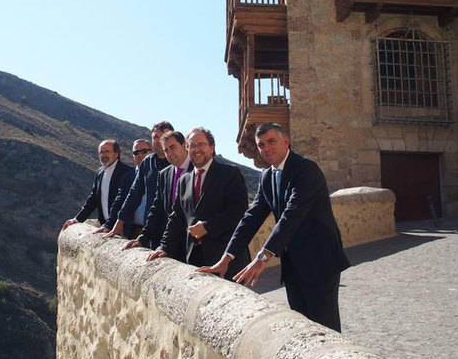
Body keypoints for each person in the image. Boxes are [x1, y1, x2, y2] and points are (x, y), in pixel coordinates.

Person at [197, 123, 350, 332]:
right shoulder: (267, 176)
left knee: (326, 328)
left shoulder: (305, 170)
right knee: (304, 328)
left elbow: (291, 216)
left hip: (320, 261)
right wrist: (227, 257)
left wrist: (262, 258)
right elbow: (251, 218)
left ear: (285, 141)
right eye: (261, 145)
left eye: (271, 142)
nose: (266, 148)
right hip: (293, 265)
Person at [147, 127, 249, 276]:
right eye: (192, 146)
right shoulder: (184, 181)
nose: (196, 149)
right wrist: (164, 247)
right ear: (187, 149)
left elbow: (238, 212)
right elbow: (176, 217)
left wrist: (208, 227)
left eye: (201, 144)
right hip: (193, 259)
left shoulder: (230, 174)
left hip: (226, 261)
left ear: (212, 147)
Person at [123, 130, 193, 255]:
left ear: (184, 145)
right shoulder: (164, 174)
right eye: (166, 150)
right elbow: (157, 208)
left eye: (173, 147)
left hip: (195, 245)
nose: (170, 153)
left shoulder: (198, 169)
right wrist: (142, 238)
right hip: (168, 242)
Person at [104, 121, 173, 245]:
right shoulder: (148, 162)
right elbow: (134, 193)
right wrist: (118, 224)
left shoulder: (177, 163)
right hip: (150, 229)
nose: (160, 140)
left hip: (173, 229)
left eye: (165, 136)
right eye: (156, 137)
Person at [61, 139, 134, 232]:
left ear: (116, 154)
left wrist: (112, 224)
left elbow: (125, 201)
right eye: (101, 152)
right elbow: (93, 200)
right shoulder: (100, 172)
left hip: (123, 228)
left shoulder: (127, 173)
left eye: (107, 151)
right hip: (105, 226)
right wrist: (77, 219)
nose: (103, 155)